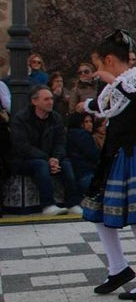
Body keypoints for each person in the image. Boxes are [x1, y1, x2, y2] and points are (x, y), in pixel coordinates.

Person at [81, 30, 136, 299]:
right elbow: (104, 106)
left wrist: (113, 80)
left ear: (109, 60)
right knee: (98, 213)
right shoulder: (111, 87)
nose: (97, 70)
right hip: (113, 154)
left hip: (134, 155)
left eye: (98, 64)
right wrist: (85, 105)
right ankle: (118, 268)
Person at [10, 85, 84, 215]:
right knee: (41, 164)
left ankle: (73, 203)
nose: (50, 102)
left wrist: (56, 158)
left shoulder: (56, 118)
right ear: (34, 101)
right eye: (46, 99)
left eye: (51, 99)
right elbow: (22, 146)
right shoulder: (21, 119)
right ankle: (48, 205)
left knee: (66, 164)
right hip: (25, 159)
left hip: (50, 157)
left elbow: (61, 142)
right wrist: (47, 158)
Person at [66, 111, 101, 196]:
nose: (90, 124)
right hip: (87, 173)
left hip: (78, 174)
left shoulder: (70, 134)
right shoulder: (82, 135)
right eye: (86, 122)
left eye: (91, 121)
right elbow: (94, 155)